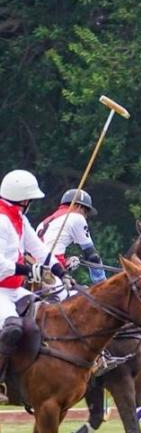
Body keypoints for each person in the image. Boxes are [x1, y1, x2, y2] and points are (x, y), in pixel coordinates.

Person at [0, 170, 67, 403]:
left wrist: (60, 271)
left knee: (51, 314)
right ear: (22, 198)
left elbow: (39, 249)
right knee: (13, 329)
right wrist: (29, 270)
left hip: (16, 289)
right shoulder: (1, 219)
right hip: (0, 290)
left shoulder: (19, 217)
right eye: (30, 199)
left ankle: (39, 375)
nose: (30, 203)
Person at [37, 188, 106, 292]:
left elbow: (47, 253)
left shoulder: (45, 222)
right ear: (77, 206)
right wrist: (102, 284)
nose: (85, 216)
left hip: (35, 271)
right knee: (88, 298)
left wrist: (66, 263)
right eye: (85, 211)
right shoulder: (77, 217)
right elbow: (92, 256)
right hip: (52, 274)